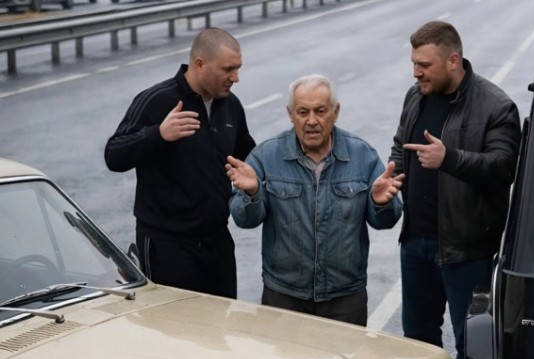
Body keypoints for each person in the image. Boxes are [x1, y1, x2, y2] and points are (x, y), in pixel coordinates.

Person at [389, 21, 522, 359]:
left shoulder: (495, 107)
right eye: (414, 64)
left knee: (468, 343)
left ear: (452, 60)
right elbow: (401, 145)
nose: (416, 73)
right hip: (417, 242)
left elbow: (503, 168)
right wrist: (392, 177)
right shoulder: (416, 96)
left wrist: (450, 159)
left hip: (467, 248)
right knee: (418, 339)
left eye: (424, 65)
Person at [227, 74, 404, 326]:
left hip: (345, 297)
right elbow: (244, 220)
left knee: (346, 354)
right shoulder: (266, 155)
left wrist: (381, 203)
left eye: (320, 111)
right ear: (290, 114)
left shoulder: (362, 155)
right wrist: (251, 193)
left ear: (335, 112)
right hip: (284, 296)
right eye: (303, 112)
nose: (311, 121)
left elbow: (385, 221)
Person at [104, 27, 256, 299]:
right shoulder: (158, 100)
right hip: (167, 246)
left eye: (238, 68)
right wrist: (157, 134)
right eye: (228, 69)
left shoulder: (230, 105)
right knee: (172, 324)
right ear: (199, 64)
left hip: (217, 243)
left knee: (222, 322)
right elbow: (114, 155)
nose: (236, 78)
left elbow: (248, 154)